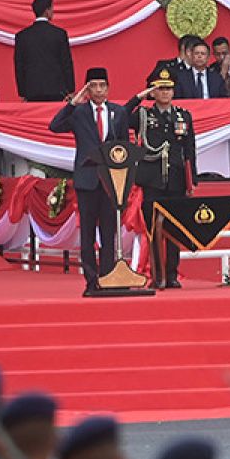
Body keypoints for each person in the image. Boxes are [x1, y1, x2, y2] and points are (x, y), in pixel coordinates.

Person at [49, 67, 131, 294]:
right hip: (87, 181)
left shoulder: (118, 113)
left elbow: (124, 147)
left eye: (102, 85)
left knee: (108, 233)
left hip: (110, 182)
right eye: (93, 86)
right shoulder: (79, 113)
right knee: (87, 234)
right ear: (87, 89)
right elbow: (54, 126)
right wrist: (74, 102)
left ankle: (107, 277)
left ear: (108, 88)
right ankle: (91, 280)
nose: (98, 90)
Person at [125, 68, 196, 289]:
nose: (165, 93)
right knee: (153, 229)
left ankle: (172, 274)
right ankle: (157, 275)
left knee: (174, 229)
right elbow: (121, 116)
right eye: (160, 89)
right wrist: (140, 96)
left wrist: (191, 179)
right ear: (153, 92)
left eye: (168, 88)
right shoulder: (144, 115)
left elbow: (190, 149)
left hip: (175, 180)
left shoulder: (183, 115)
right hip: (152, 179)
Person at [14, 0, 74, 102]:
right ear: (47, 11)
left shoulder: (22, 36)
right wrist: (70, 89)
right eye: (52, 9)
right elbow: (66, 63)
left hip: (32, 90)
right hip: (57, 90)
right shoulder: (59, 34)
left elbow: (19, 65)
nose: (53, 12)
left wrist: (22, 92)